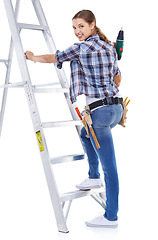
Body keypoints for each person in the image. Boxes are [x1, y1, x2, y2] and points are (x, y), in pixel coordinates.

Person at [25, 9, 123, 227]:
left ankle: (111, 217)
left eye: (81, 26)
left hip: (99, 113)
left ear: (92, 25)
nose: (77, 31)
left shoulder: (81, 48)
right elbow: (118, 76)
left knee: (111, 169)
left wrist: (31, 57)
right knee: (85, 133)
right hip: (116, 110)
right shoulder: (109, 47)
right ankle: (93, 175)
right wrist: (107, 94)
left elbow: (54, 57)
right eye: (74, 27)